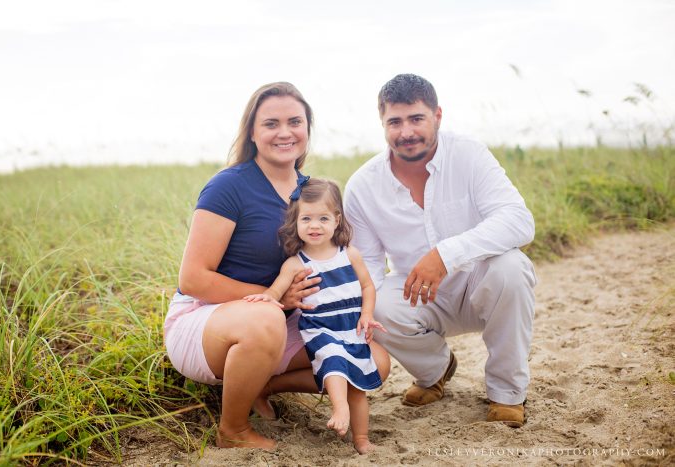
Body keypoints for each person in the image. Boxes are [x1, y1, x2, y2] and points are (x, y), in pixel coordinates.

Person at [163, 81, 392, 450]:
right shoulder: (228, 187)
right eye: (271, 123)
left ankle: (261, 386)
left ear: (307, 129)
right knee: (266, 316)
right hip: (206, 321)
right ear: (252, 132)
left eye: (295, 122)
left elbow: (335, 258)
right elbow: (192, 279)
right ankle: (233, 430)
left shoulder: (312, 193)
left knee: (374, 359)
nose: (284, 132)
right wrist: (276, 297)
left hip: (282, 322)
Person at [344, 74, 536, 428]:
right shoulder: (362, 186)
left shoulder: (469, 154)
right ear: (382, 124)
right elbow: (368, 262)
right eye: (394, 122)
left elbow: (519, 221)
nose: (406, 132)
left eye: (416, 118)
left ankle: (506, 392)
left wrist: (446, 255)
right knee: (376, 303)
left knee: (512, 267)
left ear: (438, 116)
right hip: (420, 294)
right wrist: (357, 309)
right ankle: (436, 370)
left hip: (483, 283)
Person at [244, 178, 385, 454]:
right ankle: (339, 408)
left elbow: (367, 286)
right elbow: (276, 291)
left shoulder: (350, 254)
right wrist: (266, 298)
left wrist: (366, 314)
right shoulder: (296, 263)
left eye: (323, 218)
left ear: (337, 220)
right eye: (306, 218)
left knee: (358, 386)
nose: (315, 225)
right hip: (320, 330)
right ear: (295, 223)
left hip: (350, 329)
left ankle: (362, 440)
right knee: (333, 359)